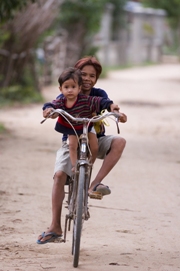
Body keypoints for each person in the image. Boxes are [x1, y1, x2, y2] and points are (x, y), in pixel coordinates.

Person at [37, 56, 127, 244]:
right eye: (83, 74)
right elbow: (54, 105)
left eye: (92, 75)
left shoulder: (97, 94)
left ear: (96, 78)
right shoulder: (68, 93)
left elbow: (107, 103)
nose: (87, 79)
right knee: (60, 175)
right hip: (70, 141)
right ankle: (55, 226)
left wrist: (116, 111)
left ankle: (94, 183)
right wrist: (49, 111)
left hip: (96, 139)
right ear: (75, 76)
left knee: (119, 141)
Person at [44, 66, 115, 172]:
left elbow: (99, 101)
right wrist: (48, 109)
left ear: (79, 88)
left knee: (94, 146)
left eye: (73, 87)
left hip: (87, 126)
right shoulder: (61, 101)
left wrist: (111, 105)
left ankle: (89, 165)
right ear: (61, 89)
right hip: (72, 127)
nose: (70, 90)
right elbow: (51, 105)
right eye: (66, 87)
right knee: (72, 146)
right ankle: (74, 166)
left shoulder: (86, 99)